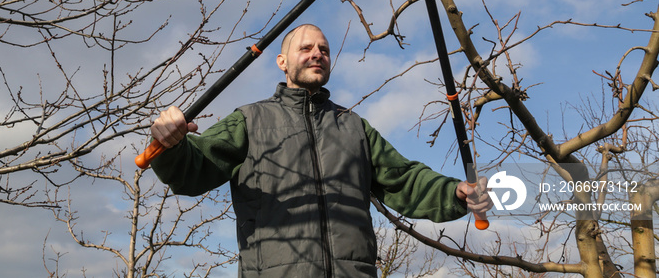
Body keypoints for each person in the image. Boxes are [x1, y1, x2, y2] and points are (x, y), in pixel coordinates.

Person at [149, 23, 492, 278]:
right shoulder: (250, 120)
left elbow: (404, 180)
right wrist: (171, 145)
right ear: (282, 62)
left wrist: (456, 193)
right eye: (307, 48)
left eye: (324, 50)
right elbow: (193, 169)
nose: (317, 54)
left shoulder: (353, 126)